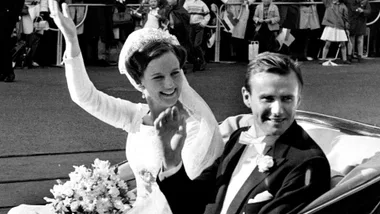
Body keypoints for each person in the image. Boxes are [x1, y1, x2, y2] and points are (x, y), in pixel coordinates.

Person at [8, 1, 224, 213]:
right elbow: (86, 97)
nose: (170, 84)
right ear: (139, 82)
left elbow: (182, 198)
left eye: (175, 73)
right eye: (158, 77)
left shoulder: (194, 127)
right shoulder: (137, 115)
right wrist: (72, 41)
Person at [155, 52, 331, 214]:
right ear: (247, 97)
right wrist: (171, 159)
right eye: (267, 98)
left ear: (298, 100)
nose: (277, 110)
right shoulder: (238, 139)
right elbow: (192, 205)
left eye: (287, 98)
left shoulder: (309, 163)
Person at [0, 0, 25, 82]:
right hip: (6, 13)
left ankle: (8, 72)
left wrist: (14, 15)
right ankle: (4, 72)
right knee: (3, 43)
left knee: (4, 43)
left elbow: (19, 4)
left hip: (8, 15)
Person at [320, 0, 350, 64]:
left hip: (340, 26)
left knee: (343, 44)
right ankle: (323, 58)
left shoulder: (343, 6)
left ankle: (345, 59)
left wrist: (347, 29)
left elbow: (346, 19)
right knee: (327, 43)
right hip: (330, 26)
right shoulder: (328, 3)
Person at [183, 0, 210, 71]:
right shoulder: (187, 3)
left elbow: (207, 15)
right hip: (190, 26)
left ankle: (203, 61)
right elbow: (183, 14)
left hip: (199, 26)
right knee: (191, 45)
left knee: (197, 44)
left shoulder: (201, 3)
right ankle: (197, 61)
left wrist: (203, 24)